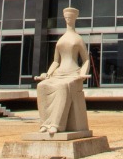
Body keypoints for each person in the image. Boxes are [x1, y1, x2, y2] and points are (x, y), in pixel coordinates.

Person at [35, 7, 90, 135]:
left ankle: (56, 124)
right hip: (58, 73)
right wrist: (48, 74)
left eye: (70, 18)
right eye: (66, 18)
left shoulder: (78, 39)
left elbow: (86, 59)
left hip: (72, 74)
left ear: (75, 19)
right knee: (41, 86)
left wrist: (82, 74)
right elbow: (55, 61)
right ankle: (45, 123)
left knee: (62, 87)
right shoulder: (61, 39)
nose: (68, 20)